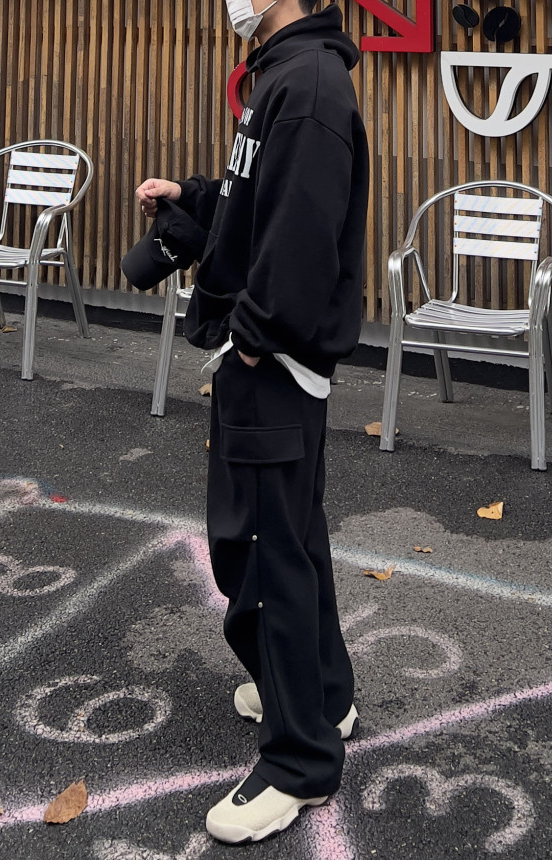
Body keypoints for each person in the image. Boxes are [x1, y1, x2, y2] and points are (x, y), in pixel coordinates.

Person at [135, 0, 370, 844]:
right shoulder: (287, 74)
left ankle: (299, 761)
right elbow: (257, 199)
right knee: (292, 538)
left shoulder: (307, 86)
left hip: (272, 361)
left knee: (263, 553)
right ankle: (323, 699)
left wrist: (252, 341)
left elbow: (302, 235)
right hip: (272, 356)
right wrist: (194, 197)